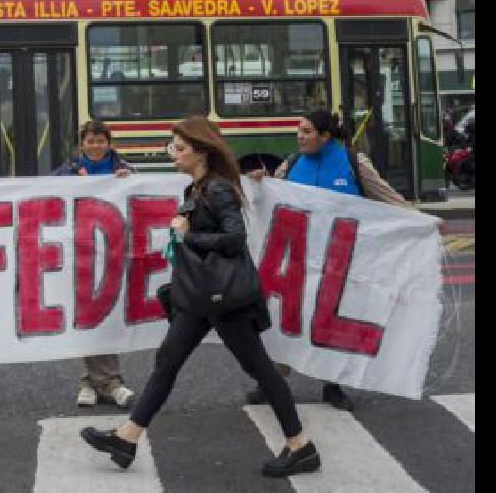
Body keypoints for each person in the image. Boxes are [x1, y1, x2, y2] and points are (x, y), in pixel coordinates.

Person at [80, 116, 321, 478]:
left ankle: (301, 446)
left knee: (260, 368)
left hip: (223, 298)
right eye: (171, 147)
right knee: (167, 361)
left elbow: (235, 238)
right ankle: (128, 438)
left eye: (179, 147)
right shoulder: (194, 190)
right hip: (199, 297)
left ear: (201, 151)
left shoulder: (219, 189)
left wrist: (189, 236)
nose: (172, 153)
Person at [246, 109, 407, 411]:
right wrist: (259, 182)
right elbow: (268, 197)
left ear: (325, 136)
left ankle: (333, 385)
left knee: (330, 321)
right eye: (298, 130)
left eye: (306, 132)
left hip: (340, 260)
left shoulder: (353, 163)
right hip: (298, 260)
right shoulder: (292, 164)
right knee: (286, 318)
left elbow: (389, 199)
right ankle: (272, 382)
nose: (299, 136)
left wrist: (422, 221)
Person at [50, 120, 137, 409]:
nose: (96, 146)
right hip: (82, 250)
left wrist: (129, 181)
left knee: (108, 314)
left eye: (101, 141)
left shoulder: (125, 170)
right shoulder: (68, 171)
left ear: (109, 143)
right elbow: (48, 193)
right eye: (90, 141)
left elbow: (141, 197)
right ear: (82, 144)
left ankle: (95, 382)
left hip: (114, 250)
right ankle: (108, 382)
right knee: (87, 313)